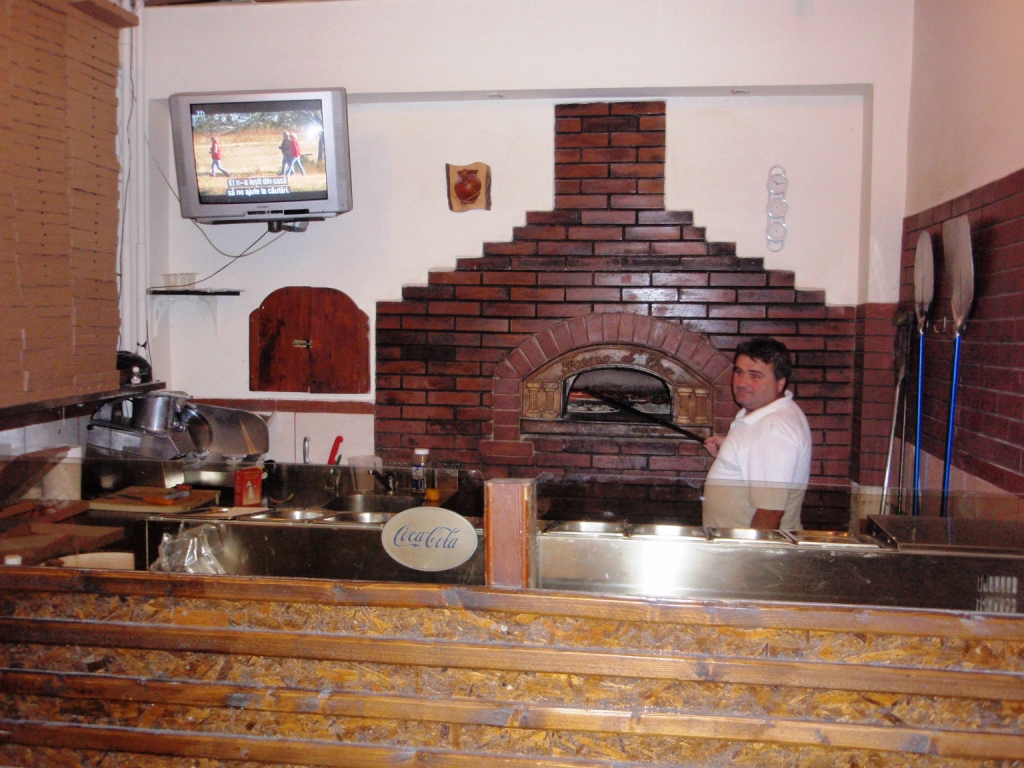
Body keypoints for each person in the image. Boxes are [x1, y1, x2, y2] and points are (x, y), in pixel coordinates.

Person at [702, 337, 811, 530]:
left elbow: (770, 513)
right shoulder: (764, 417)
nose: (742, 383)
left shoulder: (773, 430)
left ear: (780, 383)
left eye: (755, 376)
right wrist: (732, 452)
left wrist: (754, 551)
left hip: (744, 547)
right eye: (739, 372)